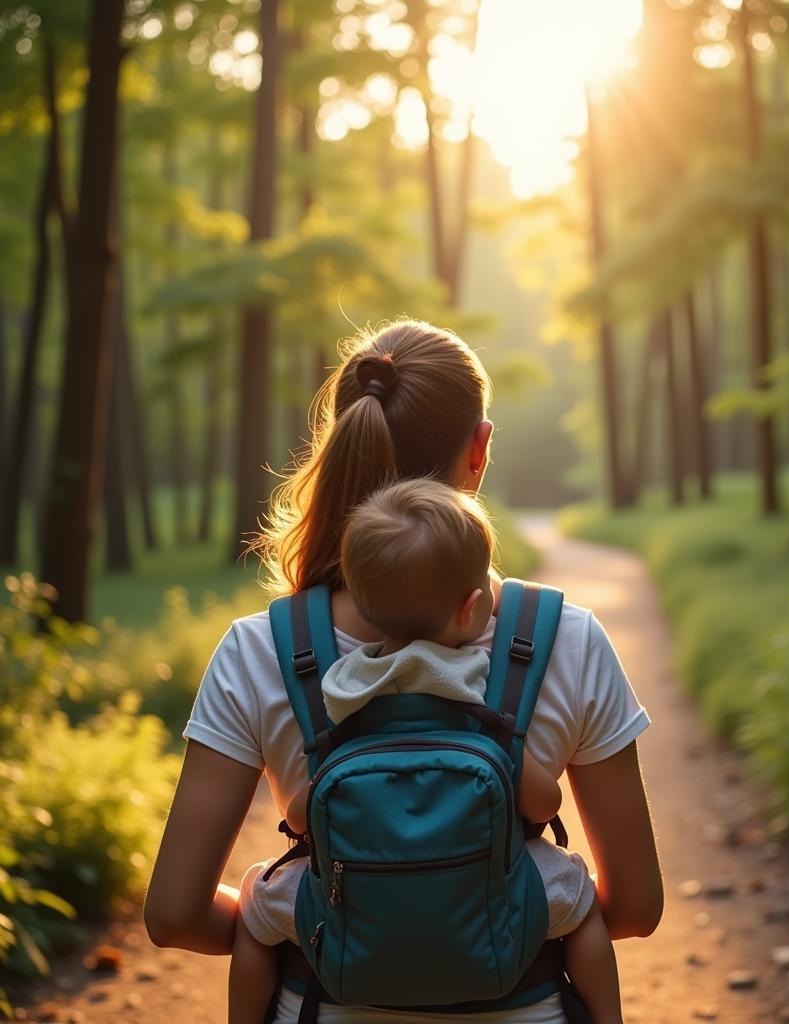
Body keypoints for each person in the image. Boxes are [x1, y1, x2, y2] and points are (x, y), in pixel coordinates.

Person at [145, 318, 663, 1024]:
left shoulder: (258, 651)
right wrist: (482, 929)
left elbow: (173, 916)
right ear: (478, 449)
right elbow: (634, 907)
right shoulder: (564, 640)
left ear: (342, 445)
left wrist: (323, 932)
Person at [229, 479, 624, 1024]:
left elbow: (302, 813)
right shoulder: (475, 689)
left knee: (255, 912)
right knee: (578, 906)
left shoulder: (341, 687)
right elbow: (543, 804)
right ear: (470, 611)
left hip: (355, 897)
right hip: (489, 889)